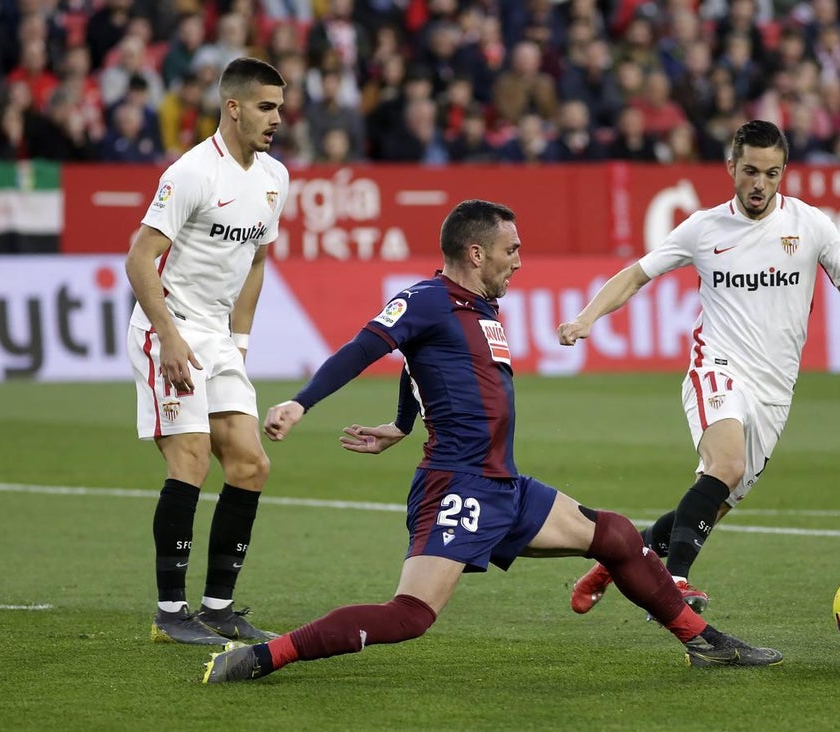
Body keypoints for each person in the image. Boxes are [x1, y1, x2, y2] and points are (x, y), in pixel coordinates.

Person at [201, 199, 783, 683]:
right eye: (512, 251)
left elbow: (418, 366)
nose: (520, 263)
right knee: (409, 615)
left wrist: (403, 423)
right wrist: (300, 403)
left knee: (617, 534)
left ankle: (706, 643)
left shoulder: (477, 308)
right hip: (458, 483)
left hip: (504, 482)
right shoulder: (428, 298)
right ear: (476, 254)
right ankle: (261, 657)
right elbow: (367, 347)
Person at [560, 120, 840, 615]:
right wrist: (588, 317)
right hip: (717, 363)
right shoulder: (704, 228)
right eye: (751, 171)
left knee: (713, 501)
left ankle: (615, 559)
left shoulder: (810, 225)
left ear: (783, 173)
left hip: (775, 387)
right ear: (732, 168)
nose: (761, 183)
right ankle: (673, 581)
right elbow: (636, 275)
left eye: (772, 173)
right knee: (726, 465)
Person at [125, 57, 290, 645]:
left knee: (250, 465)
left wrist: (238, 346)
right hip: (166, 328)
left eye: (280, 106)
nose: (277, 118)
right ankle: (171, 614)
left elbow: (257, 261)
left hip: (218, 338)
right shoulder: (191, 172)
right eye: (267, 107)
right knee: (191, 458)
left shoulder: (274, 177)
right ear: (234, 106)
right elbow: (139, 258)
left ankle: (218, 608)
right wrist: (166, 333)